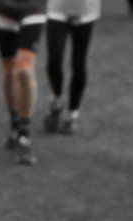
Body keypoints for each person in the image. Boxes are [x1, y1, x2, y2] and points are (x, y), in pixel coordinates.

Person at [0, 0, 45, 163]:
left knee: (23, 70)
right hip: (4, 9)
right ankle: (15, 124)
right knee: (8, 69)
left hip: (34, 9)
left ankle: (24, 134)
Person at [42, 0, 98, 133]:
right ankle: (57, 99)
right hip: (57, 8)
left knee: (78, 62)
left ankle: (73, 115)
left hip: (85, 10)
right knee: (54, 59)